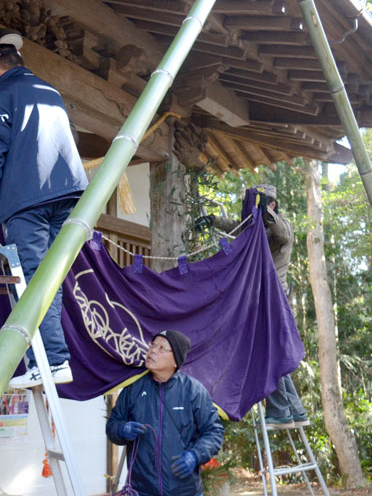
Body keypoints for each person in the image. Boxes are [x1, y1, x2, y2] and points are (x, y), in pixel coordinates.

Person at [0, 29, 88, 389]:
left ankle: (51, 361)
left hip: (27, 199)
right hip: (67, 195)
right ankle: (54, 359)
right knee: (49, 278)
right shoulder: (49, 91)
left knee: (34, 280)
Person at [195, 184, 308, 428]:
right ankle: (292, 410)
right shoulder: (255, 228)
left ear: (272, 205)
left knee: (267, 352)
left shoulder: (280, 227)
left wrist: (266, 210)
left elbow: (283, 234)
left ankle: (282, 410)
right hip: (259, 297)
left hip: (274, 297)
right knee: (270, 352)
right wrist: (213, 219)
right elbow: (239, 226)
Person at [106, 330, 224, 496]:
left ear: (176, 360)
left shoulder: (193, 391)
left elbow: (214, 432)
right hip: (141, 490)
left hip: (185, 492)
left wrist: (195, 455)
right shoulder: (133, 389)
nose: (153, 350)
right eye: (153, 345)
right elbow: (112, 425)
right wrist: (122, 429)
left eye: (162, 348)